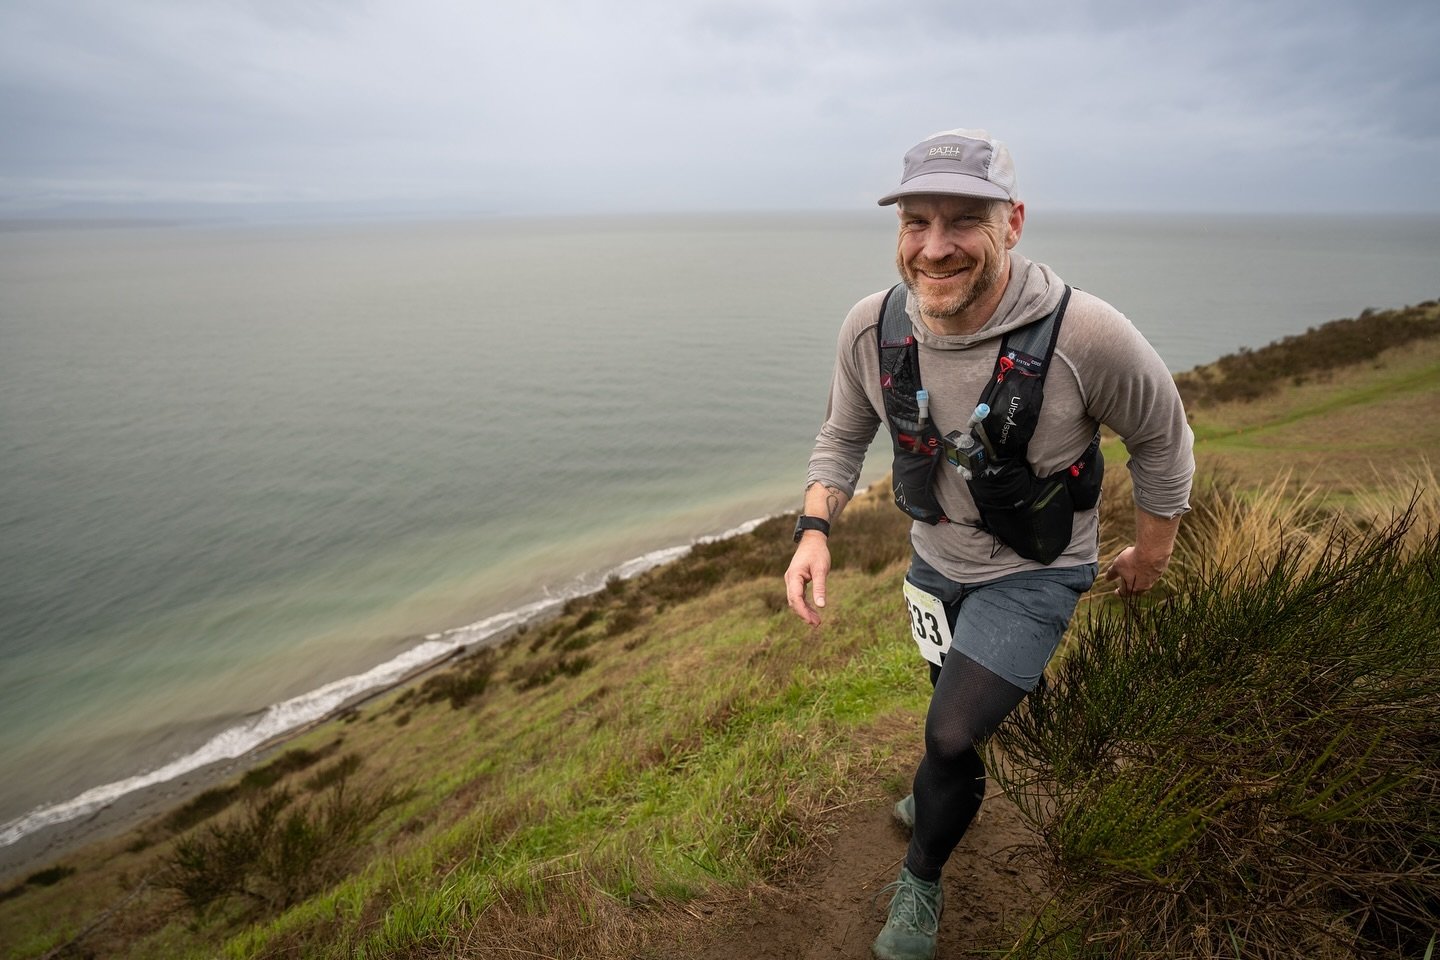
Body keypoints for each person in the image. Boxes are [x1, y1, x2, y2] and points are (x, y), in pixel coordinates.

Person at [782, 129, 1195, 960]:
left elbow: (1163, 437)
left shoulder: (1086, 336)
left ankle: (921, 882)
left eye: (963, 221)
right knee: (947, 704)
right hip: (935, 561)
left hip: (1040, 570)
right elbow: (842, 434)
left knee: (950, 734)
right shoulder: (872, 328)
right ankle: (940, 788)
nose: (935, 247)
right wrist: (813, 531)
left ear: (1012, 222)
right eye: (916, 222)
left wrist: (1151, 552)